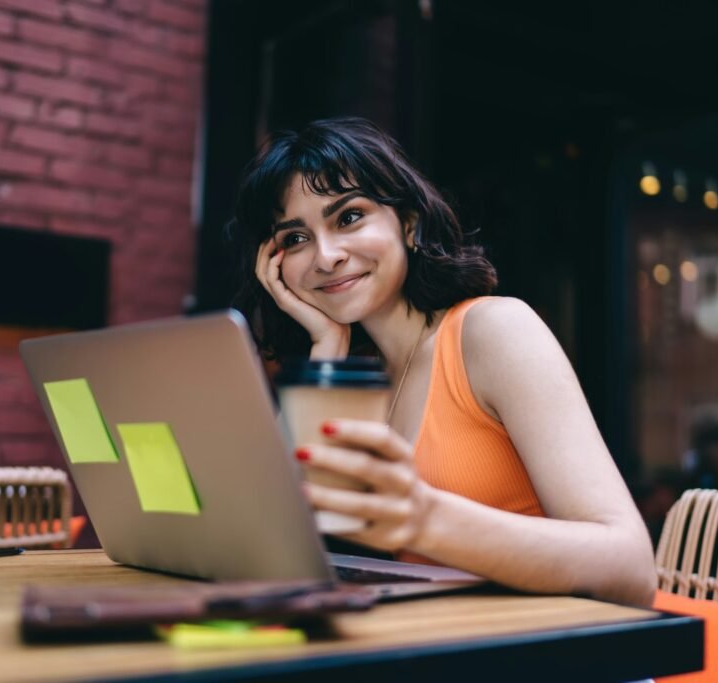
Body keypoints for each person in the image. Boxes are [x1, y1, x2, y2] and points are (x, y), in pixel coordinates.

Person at [226, 117, 656, 608]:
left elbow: (631, 566)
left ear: (408, 224)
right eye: (296, 238)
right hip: (437, 645)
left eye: (348, 217)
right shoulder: (352, 372)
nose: (326, 257)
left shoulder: (493, 332)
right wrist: (325, 345)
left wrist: (424, 516)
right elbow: (264, 545)